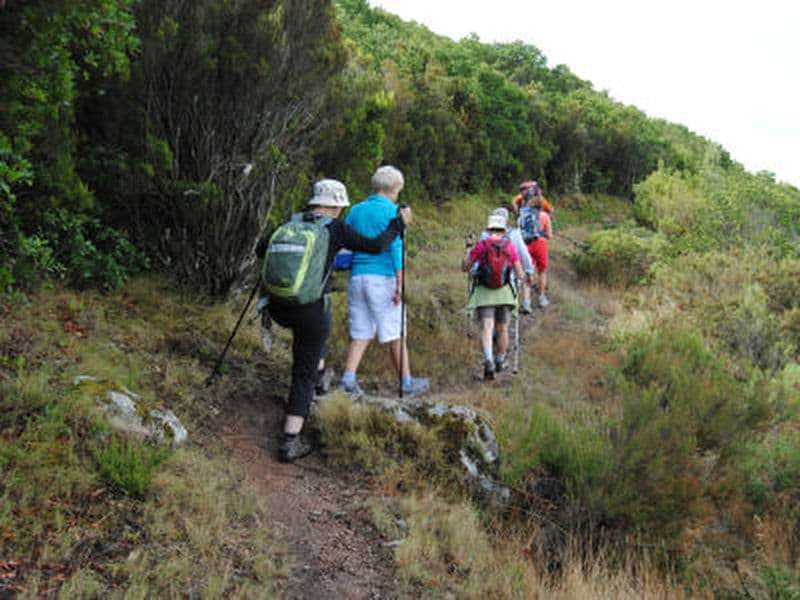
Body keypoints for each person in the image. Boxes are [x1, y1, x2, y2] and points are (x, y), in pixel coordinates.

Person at [259, 179, 411, 462]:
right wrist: (397, 225)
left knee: (315, 343)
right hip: (309, 310)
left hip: (277, 305)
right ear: (334, 206)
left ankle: (320, 375)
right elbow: (376, 246)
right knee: (302, 370)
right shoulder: (335, 228)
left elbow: (261, 250)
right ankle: (290, 439)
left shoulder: (289, 222)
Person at [339, 166, 430, 398]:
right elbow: (396, 248)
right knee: (396, 333)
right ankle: (406, 383)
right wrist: (400, 285)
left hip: (358, 277)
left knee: (361, 332)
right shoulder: (393, 212)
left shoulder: (356, 210)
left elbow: (346, 243)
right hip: (383, 277)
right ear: (396, 188)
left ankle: (348, 379)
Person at [464, 212, 526, 380]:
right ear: (504, 231)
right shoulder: (510, 247)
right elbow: (520, 273)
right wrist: (522, 282)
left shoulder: (481, 245)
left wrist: (468, 249)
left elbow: (465, 267)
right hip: (505, 292)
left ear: (489, 229)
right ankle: (500, 360)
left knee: (487, 327)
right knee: (503, 327)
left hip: (484, 292)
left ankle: (488, 361)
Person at [478, 207, 536, 314]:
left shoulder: (485, 235)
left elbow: (477, 258)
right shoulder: (514, 234)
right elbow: (524, 255)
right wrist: (529, 271)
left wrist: (474, 271)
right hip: (508, 281)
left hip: (485, 281)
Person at [519, 188, 553, 308]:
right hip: (540, 244)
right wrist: (542, 233)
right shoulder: (544, 215)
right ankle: (542, 298)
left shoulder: (522, 214)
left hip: (525, 244)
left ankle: (526, 302)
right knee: (542, 272)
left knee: (527, 271)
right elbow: (549, 235)